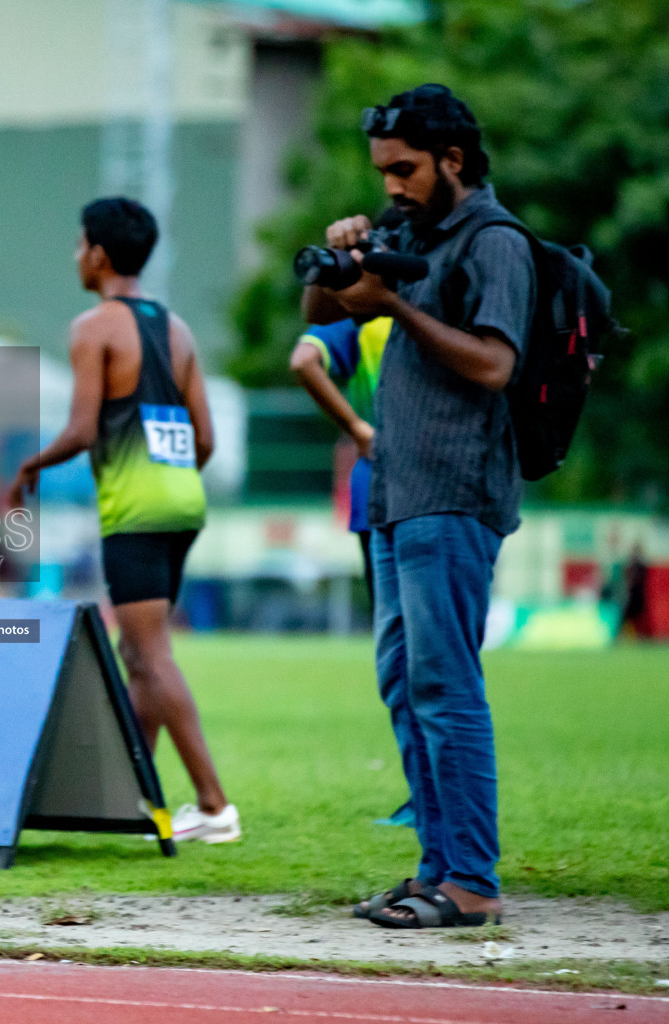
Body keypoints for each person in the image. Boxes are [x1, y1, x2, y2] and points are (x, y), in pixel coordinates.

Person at [305, 84, 533, 929]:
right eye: (382, 171)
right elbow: (314, 312)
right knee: (405, 682)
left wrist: (394, 303)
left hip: (455, 493)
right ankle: (437, 866)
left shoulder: (495, 242)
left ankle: (471, 881)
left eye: (404, 170)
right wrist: (344, 261)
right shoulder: (409, 232)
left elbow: (492, 366)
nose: (391, 185)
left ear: (454, 161)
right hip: (400, 496)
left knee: (446, 683)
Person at [9, 197, 238, 844]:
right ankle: (138, 802)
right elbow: (207, 439)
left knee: (151, 653)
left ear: (99, 254)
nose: (76, 255)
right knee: (138, 653)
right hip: (183, 503)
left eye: (80, 244)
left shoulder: (94, 327)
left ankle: (215, 806)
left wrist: (32, 464)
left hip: (135, 508)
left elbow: (81, 430)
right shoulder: (179, 330)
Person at [289, 310, 415, 829]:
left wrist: (359, 429)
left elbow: (303, 358)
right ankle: (432, 799)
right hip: (440, 490)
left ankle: (427, 799)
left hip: (382, 491)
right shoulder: (434, 305)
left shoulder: (366, 318)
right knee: (431, 658)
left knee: (401, 657)